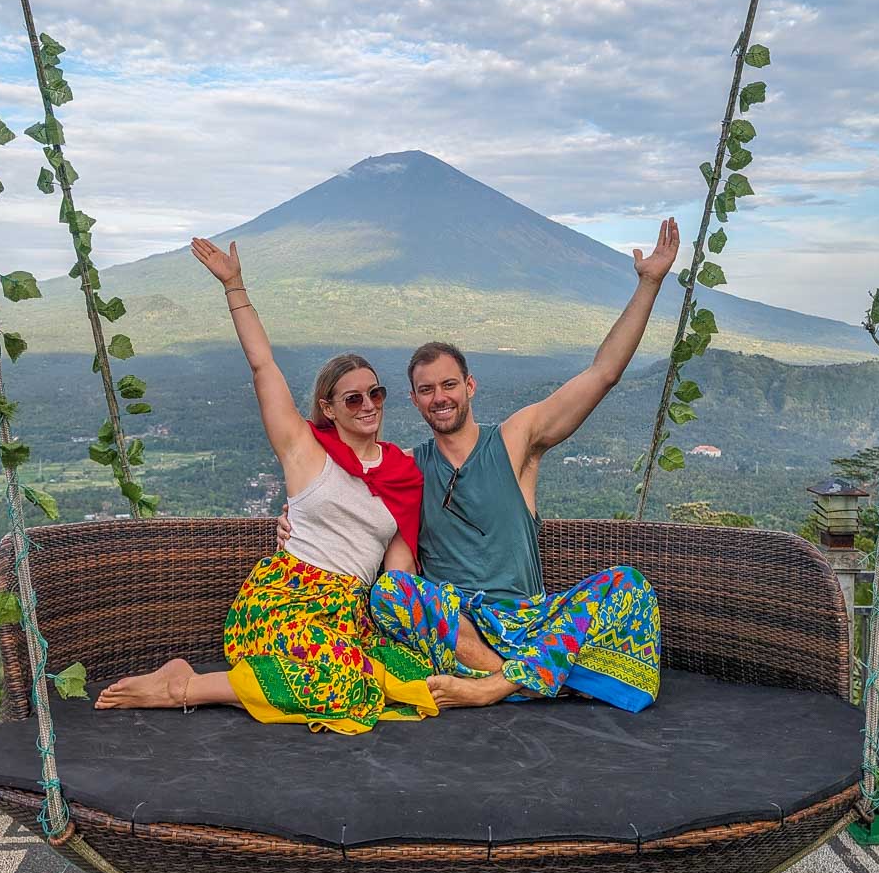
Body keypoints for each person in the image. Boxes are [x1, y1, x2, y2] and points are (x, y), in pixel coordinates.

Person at [281, 218, 681, 714]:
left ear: (469, 387)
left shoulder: (516, 441)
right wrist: (294, 521)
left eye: (448, 385)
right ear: (414, 400)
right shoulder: (406, 469)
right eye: (426, 390)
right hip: (461, 628)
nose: (439, 397)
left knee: (629, 585)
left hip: (532, 620)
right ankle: (526, 676)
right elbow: (335, 486)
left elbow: (602, 373)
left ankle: (496, 685)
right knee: (393, 592)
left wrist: (649, 284)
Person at [95, 237, 438, 734]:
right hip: (287, 597)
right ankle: (183, 688)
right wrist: (235, 285)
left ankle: (200, 682)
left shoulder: (404, 472)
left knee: (405, 679)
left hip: (347, 613)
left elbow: (397, 571)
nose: (367, 405)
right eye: (352, 398)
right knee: (339, 684)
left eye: (375, 393)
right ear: (328, 407)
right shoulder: (305, 450)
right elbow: (263, 366)